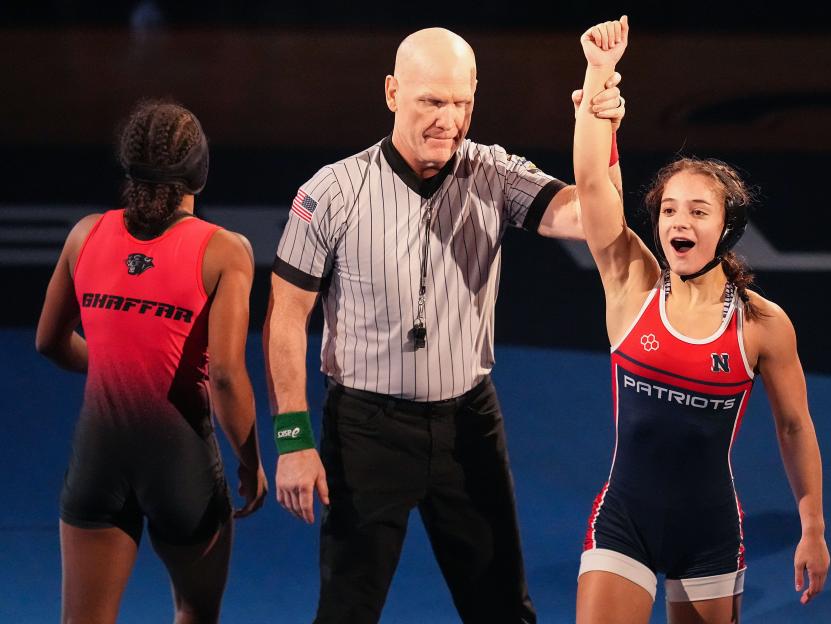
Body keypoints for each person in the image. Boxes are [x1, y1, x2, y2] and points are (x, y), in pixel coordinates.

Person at [264, 27, 626, 623]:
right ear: (391, 93)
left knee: (504, 611)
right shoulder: (329, 193)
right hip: (365, 432)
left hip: (468, 426)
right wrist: (293, 441)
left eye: (461, 103)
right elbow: (285, 318)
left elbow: (595, 219)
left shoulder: (494, 173)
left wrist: (599, 119)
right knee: (346, 613)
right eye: (431, 101)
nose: (448, 120)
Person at [572, 17, 830, 624]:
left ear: (727, 229)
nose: (676, 222)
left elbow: (795, 428)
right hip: (622, 524)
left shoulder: (763, 325)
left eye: (696, 210)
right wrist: (598, 72)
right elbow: (591, 184)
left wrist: (812, 527)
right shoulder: (631, 284)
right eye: (667, 209)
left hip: (710, 534)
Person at [36, 100, 268, 623]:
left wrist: (113, 365)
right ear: (200, 172)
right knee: (194, 612)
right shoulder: (226, 251)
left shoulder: (84, 235)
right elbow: (228, 376)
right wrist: (251, 461)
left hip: (98, 460)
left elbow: (49, 343)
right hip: (180, 465)